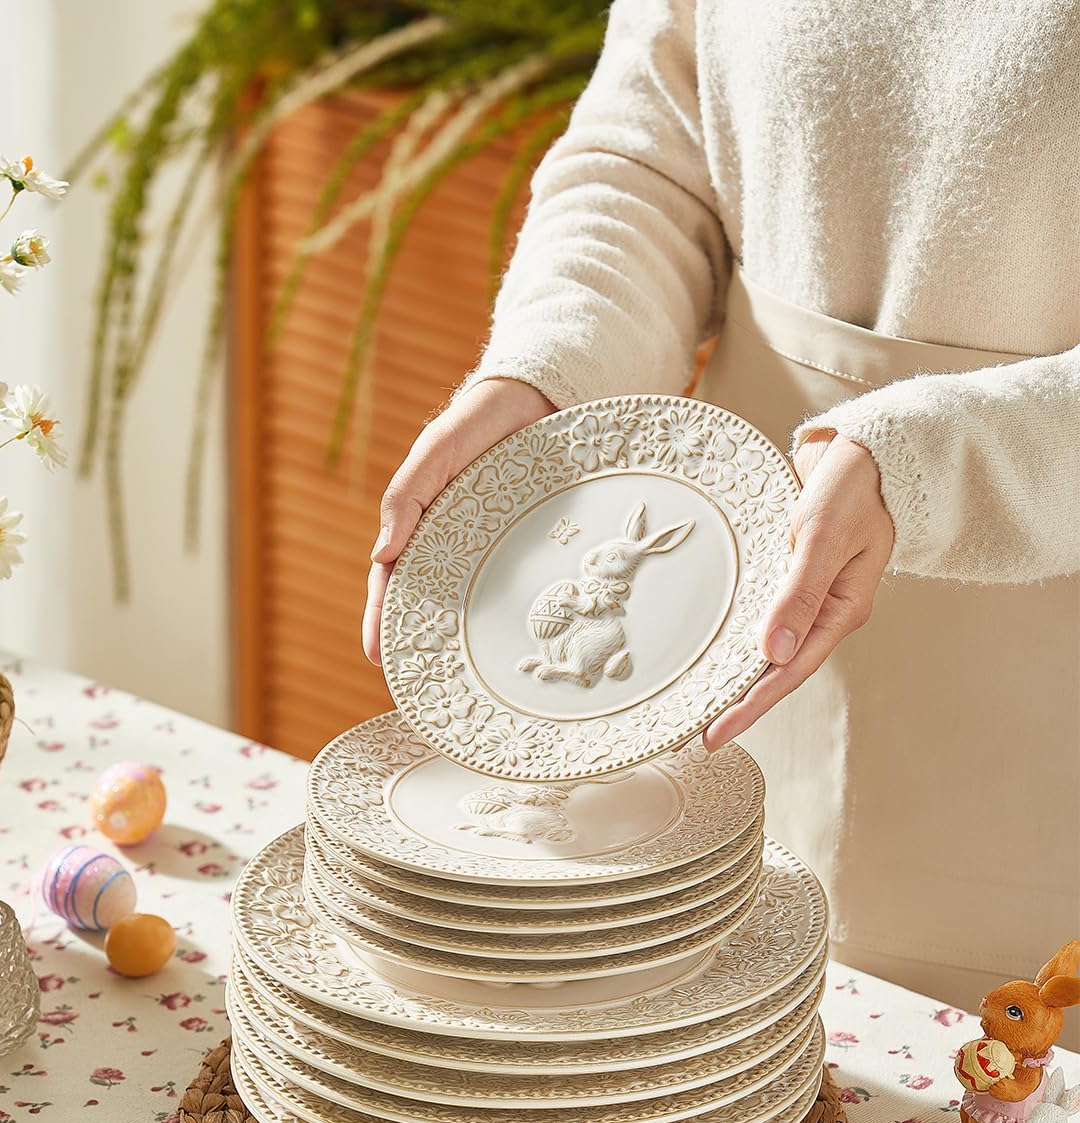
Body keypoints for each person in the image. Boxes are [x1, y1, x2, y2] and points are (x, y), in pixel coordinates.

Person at [362, 0, 1080, 1009]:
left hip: (1044, 734)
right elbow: (649, 160)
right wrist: (544, 375)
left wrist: (924, 463)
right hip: (724, 655)